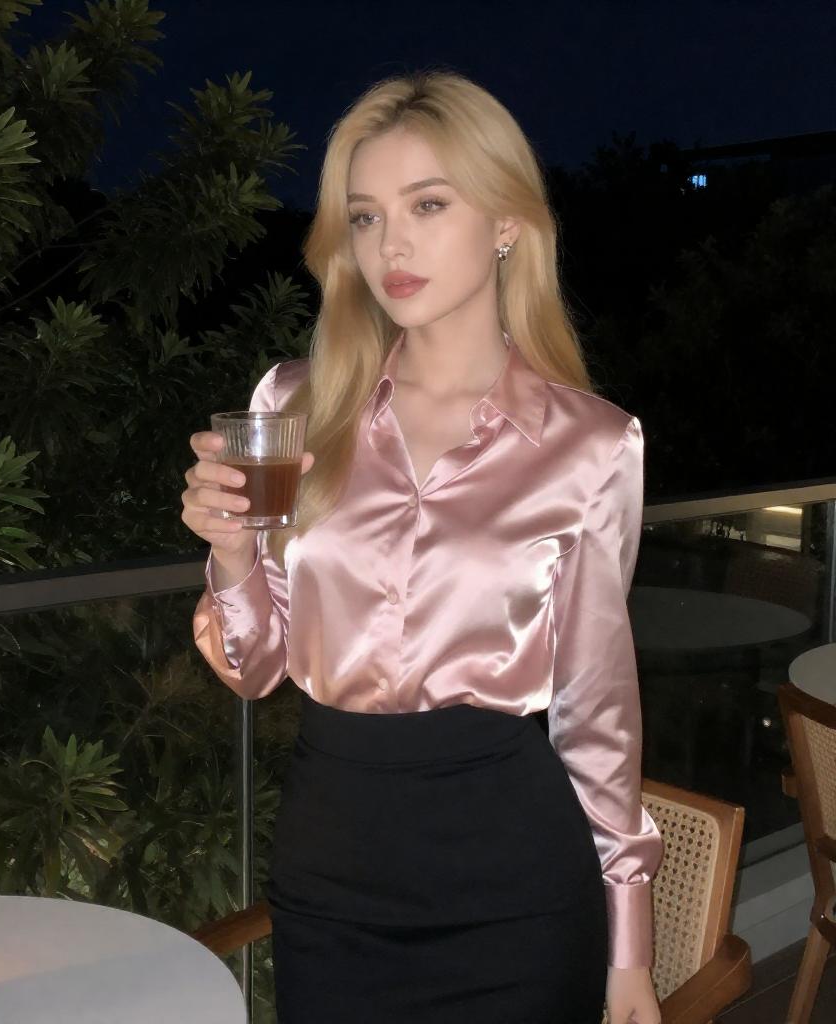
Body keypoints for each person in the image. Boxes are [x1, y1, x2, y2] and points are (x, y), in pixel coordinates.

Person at [182, 70, 664, 1024]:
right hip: (332, 865)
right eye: (365, 217)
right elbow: (255, 668)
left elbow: (598, 711)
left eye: (427, 205)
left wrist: (629, 952)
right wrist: (232, 556)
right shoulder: (294, 405)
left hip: (515, 882)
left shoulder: (592, 446)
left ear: (507, 222)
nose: (389, 245)